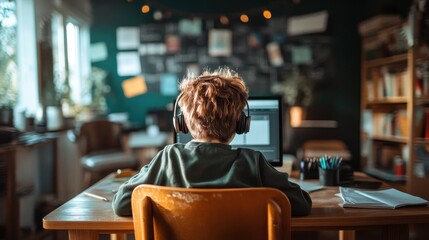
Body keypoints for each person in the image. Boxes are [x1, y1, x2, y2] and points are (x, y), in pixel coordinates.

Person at [112, 67, 312, 216]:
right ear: (241, 124)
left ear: (183, 123)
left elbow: (121, 203)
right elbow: (302, 204)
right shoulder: (253, 162)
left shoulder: (169, 158)